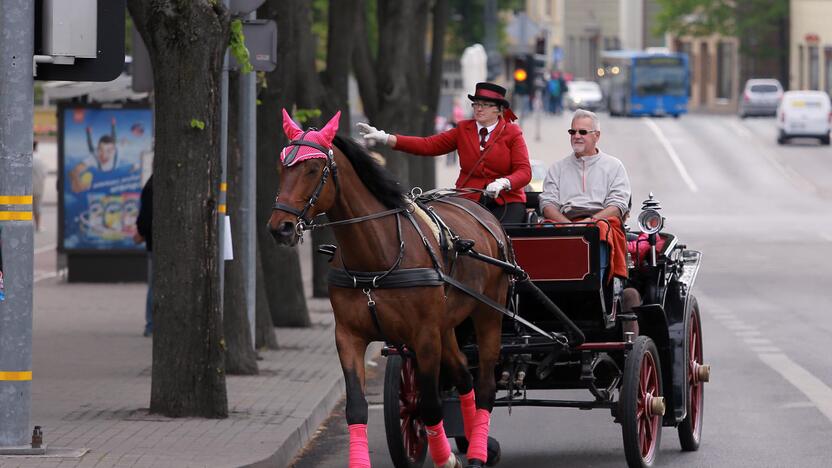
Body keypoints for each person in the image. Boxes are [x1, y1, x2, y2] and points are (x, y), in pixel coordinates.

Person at [357, 82, 531, 224]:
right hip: (468, 199)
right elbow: (428, 145)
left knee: (506, 237)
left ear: (498, 109)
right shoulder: (463, 128)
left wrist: (504, 182)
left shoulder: (512, 133)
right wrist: (386, 138)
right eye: (476, 104)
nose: (478, 108)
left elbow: (524, 172)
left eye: (485, 105)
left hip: (506, 201)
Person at [539, 109, 631, 285]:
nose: (576, 136)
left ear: (596, 135)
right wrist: (568, 224)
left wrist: (590, 221)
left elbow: (617, 206)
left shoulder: (614, 166)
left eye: (582, 132)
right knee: (544, 230)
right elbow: (548, 204)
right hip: (564, 221)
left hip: (600, 221)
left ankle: (599, 287)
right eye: (572, 132)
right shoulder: (557, 168)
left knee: (600, 230)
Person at [69, 119, 118, 193]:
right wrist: (78, 183)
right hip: (96, 158)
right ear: (98, 149)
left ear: (113, 150)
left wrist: (113, 125)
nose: (104, 155)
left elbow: (114, 138)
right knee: (91, 149)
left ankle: (88, 131)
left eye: (108, 151)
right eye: (101, 150)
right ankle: (88, 131)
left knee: (94, 148)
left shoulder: (115, 150)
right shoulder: (94, 157)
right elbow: (73, 172)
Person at [133, 175, 153, 337]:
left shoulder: (151, 185)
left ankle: (151, 324)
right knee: (155, 285)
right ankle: (151, 324)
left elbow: (145, 215)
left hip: (154, 243)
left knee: (154, 285)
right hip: (156, 242)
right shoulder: (153, 186)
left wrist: (141, 232)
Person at [32, 140, 47, 232]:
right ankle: (38, 226)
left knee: (25, 208)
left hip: (26, 188)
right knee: (37, 207)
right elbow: (45, 173)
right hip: (39, 187)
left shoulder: (23, 157)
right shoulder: (40, 159)